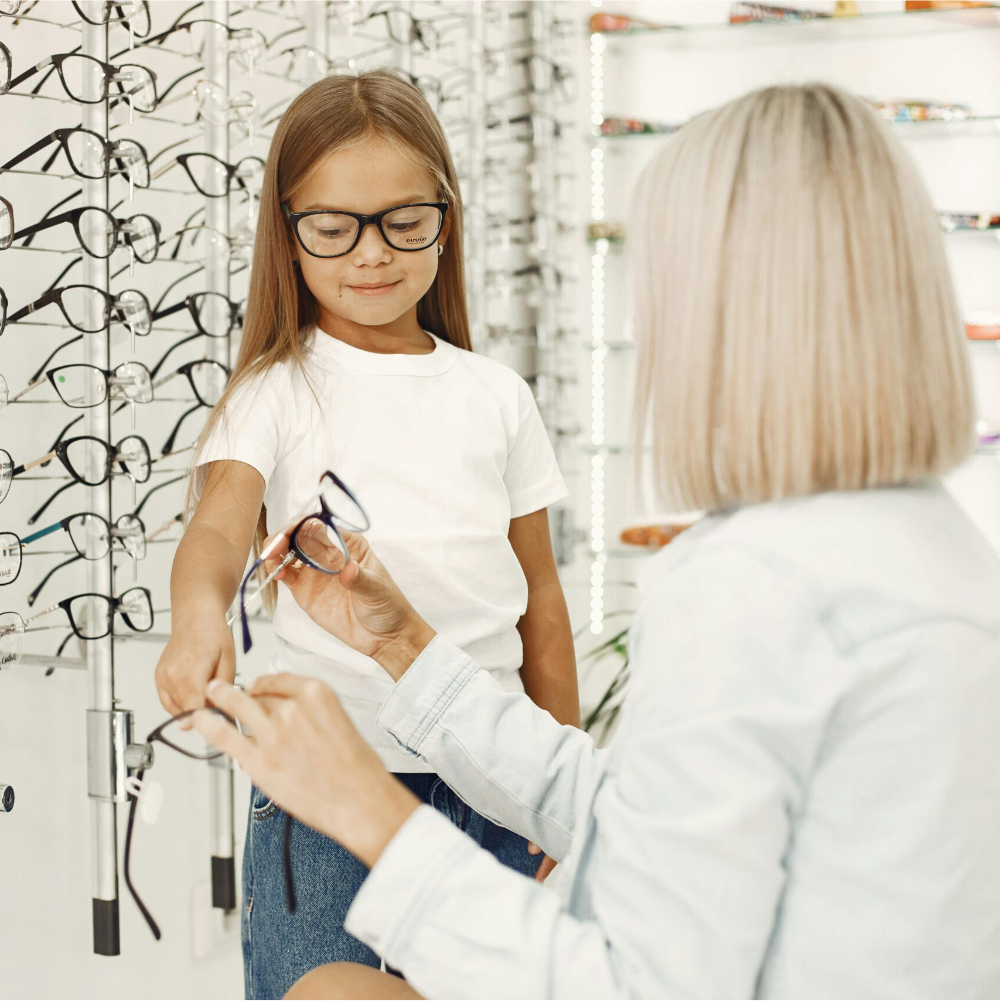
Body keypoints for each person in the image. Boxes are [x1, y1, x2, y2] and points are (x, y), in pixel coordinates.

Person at [196, 81, 1000, 999]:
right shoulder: (943, 557)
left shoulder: (755, 586)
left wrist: (372, 811)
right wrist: (403, 646)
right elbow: (655, 818)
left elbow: (636, 984)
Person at [154, 71, 580, 1000]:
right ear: (289, 232)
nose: (371, 254)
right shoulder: (275, 389)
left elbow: (539, 594)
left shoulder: (495, 395)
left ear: (445, 217)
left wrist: (559, 799)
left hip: (496, 780)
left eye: (403, 221)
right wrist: (197, 620)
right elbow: (218, 531)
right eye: (334, 227)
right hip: (330, 782)